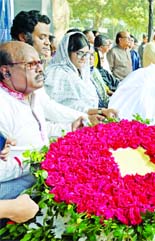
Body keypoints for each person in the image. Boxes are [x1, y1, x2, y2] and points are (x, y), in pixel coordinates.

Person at [0, 41, 84, 224]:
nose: (39, 69)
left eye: (40, 63)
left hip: (36, 178)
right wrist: (37, 161)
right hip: (13, 193)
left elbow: (40, 131)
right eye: (31, 64)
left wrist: (70, 130)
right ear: (6, 72)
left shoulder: (31, 94)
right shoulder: (3, 106)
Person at [44, 31, 99, 112]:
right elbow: (62, 105)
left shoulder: (83, 73)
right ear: (67, 52)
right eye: (79, 53)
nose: (84, 58)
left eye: (86, 54)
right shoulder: (56, 73)